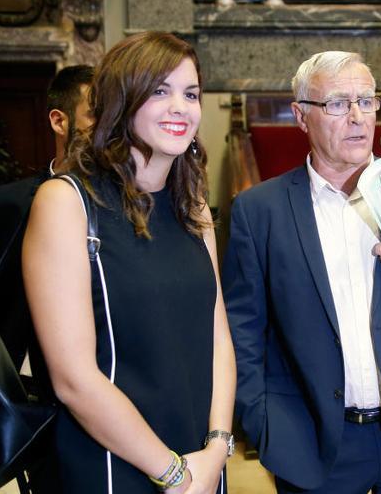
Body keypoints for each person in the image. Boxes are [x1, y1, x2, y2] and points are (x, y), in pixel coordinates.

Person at [224, 50, 381, 493]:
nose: (359, 117)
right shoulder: (259, 210)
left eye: (367, 101)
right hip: (312, 439)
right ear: (302, 116)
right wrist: (261, 420)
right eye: (339, 104)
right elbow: (243, 327)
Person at [22, 32, 235, 493]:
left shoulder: (193, 204)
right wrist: (171, 472)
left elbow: (217, 333)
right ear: (121, 100)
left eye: (191, 93)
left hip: (199, 458)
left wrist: (217, 448)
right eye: (160, 90)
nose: (181, 106)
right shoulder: (66, 202)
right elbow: (73, 379)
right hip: (112, 460)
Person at [0, 64, 94, 374]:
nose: (110, 126)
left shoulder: (133, 205)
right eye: (95, 113)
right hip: (28, 390)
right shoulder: (3, 205)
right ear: (59, 121)